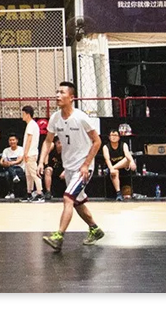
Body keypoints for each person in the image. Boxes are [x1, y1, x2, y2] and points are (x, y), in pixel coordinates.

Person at [38, 82, 104, 251]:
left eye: (62, 92)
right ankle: (95, 229)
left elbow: (97, 142)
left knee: (68, 198)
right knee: (77, 202)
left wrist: (86, 165)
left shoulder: (81, 117)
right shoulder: (55, 118)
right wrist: (41, 161)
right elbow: (48, 141)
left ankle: (58, 236)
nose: (57, 96)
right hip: (69, 167)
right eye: (57, 92)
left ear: (71, 97)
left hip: (83, 167)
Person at [102, 129, 137, 201]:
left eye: (115, 135)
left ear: (119, 137)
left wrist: (132, 161)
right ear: (109, 137)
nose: (114, 137)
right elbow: (107, 159)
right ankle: (118, 193)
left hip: (123, 166)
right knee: (115, 171)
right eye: (112, 135)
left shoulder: (123, 144)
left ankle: (110, 169)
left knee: (127, 159)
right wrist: (111, 168)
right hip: (113, 167)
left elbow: (127, 154)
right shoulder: (106, 147)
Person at [21, 105, 44, 203]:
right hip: (29, 153)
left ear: (28, 114)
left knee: (34, 174)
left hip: (30, 153)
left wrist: (26, 153)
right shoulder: (31, 124)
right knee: (28, 175)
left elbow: (29, 140)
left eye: (23, 114)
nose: (22, 116)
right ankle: (29, 193)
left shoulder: (31, 125)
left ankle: (40, 193)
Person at [0, 133, 25, 199]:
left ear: (17, 141)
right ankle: (11, 191)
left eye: (13, 140)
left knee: (9, 170)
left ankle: (11, 191)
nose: (12, 142)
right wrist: (4, 163)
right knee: (7, 173)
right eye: (10, 140)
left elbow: (19, 161)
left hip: (19, 168)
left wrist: (10, 163)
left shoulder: (21, 149)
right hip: (8, 168)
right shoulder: (6, 150)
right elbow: (2, 161)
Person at [42, 136, 65, 200]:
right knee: (48, 170)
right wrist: (46, 165)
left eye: (62, 143)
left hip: (62, 169)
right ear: (55, 143)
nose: (60, 145)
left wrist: (65, 171)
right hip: (51, 167)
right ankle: (48, 192)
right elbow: (46, 154)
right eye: (59, 143)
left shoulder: (66, 150)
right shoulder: (52, 146)